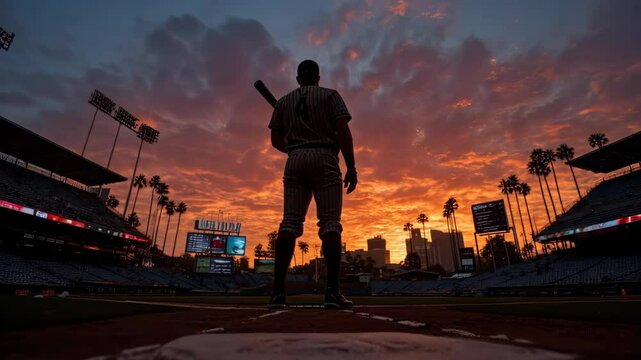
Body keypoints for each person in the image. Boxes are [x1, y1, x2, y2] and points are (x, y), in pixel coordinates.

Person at [267, 59, 357, 309]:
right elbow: (342, 130)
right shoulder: (330, 95)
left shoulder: (284, 101)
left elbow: (275, 140)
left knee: (289, 222)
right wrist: (351, 166)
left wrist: (295, 147)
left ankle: (277, 293)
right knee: (330, 224)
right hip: (325, 157)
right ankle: (332, 292)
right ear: (318, 77)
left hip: (294, 159)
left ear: (298, 79)